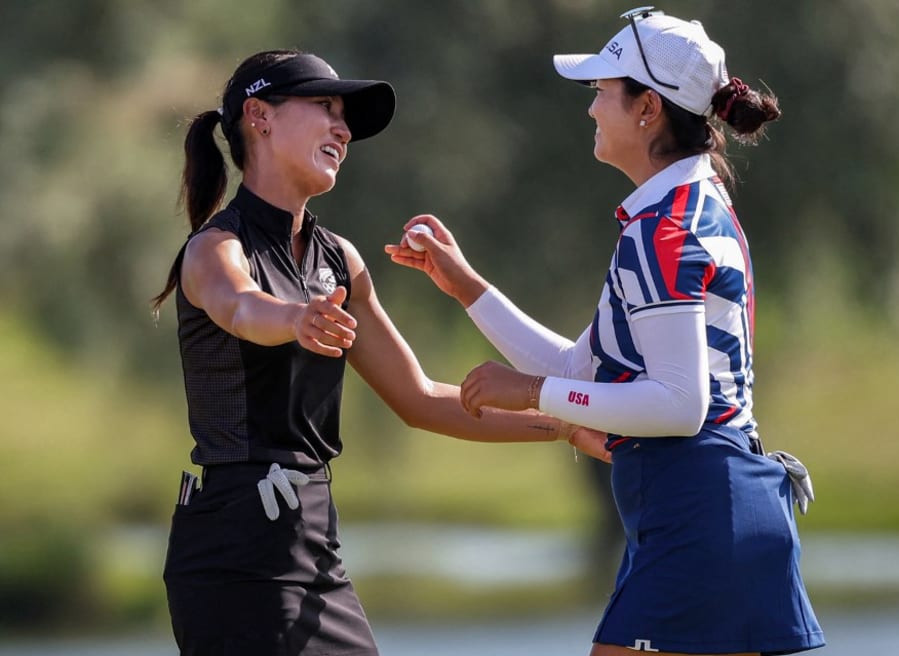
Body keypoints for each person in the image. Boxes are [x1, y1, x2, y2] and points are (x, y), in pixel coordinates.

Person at [386, 8, 825, 656]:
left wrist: (533, 393)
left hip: (698, 516)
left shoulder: (662, 231)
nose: (591, 109)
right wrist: (466, 288)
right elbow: (583, 367)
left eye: (602, 92)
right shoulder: (688, 207)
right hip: (719, 512)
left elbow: (678, 406)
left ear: (647, 109)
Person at [152, 49, 608, 656]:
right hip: (234, 549)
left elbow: (421, 399)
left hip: (312, 538)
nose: (342, 128)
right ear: (258, 116)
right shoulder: (214, 249)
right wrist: (296, 319)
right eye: (324, 107)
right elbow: (241, 309)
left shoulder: (340, 260)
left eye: (345, 115)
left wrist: (566, 427)